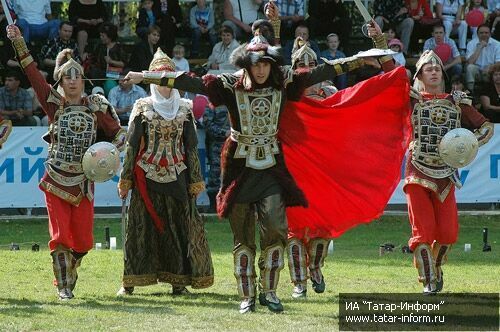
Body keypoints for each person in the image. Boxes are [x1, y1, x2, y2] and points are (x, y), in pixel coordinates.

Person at [124, 16, 386, 313]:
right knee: (243, 236)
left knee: (275, 229)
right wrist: (145, 77)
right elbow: (188, 81)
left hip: (272, 167)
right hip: (238, 167)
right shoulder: (228, 85)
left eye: (265, 63)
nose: (261, 69)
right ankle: (247, 295)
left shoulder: (284, 81)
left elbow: (322, 71)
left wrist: (361, 59)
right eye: (256, 63)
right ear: (246, 64)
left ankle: (270, 292)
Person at [369, 21, 494, 294]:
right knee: (422, 231)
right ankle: (428, 280)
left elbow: (485, 127)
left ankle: (435, 268)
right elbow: (391, 71)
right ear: (420, 75)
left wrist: (469, 147)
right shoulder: (412, 98)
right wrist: (380, 41)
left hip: (446, 175)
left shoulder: (456, 101)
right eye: (429, 68)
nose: (435, 71)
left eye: (437, 68)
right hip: (417, 171)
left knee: (448, 234)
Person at [6, 24, 127, 300]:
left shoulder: (95, 106)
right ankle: (64, 288)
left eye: (77, 77)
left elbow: (116, 132)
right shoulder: (53, 104)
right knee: (60, 236)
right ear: (61, 82)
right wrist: (19, 43)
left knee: (83, 241)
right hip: (57, 178)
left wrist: (118, 145)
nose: (72, 81)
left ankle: (70, 270)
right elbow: (33, 74)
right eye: (67, 78)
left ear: (83, 80)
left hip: (84, 182)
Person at [116, 48, 213, 296]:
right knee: (140, 229)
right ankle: (130, 282)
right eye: (158, 78)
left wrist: (195, 180)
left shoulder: (185, 108)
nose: (163, 85)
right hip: (145, 176)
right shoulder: (142, 107)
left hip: (177, 175)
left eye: (167, 78)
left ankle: (178, 281)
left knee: (177, 228)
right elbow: (132, 145)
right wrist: (125, 179)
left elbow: (191, 146)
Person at [203, 104, 230, 212]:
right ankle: (213, 207)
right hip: (217, 146)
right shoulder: (210, 105)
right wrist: (224, 133)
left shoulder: (235, 101)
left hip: (233, 145)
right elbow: (208, 125)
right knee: (215, 175)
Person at [465, 24, 500, 93]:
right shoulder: (471, 43)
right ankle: (470, 91)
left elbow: (499, 62)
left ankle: (490, 93)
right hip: (476, 70)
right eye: (481, 33)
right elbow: (470, 62)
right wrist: (480, 47)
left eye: (486, 33)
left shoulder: (497, 44)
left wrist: (491, 67)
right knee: (470, 67)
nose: (484, 35)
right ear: (477, 34)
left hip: (490, 70)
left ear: (490, 34)